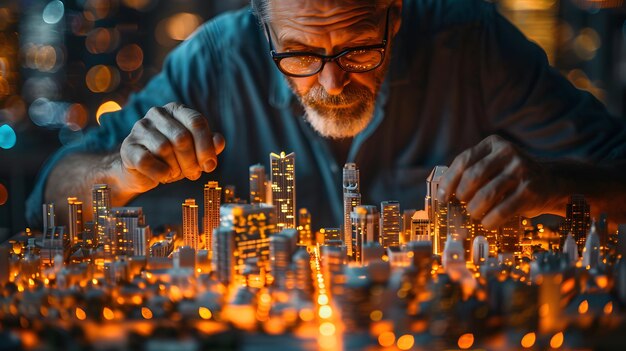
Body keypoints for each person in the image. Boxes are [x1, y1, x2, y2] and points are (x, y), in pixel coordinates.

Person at [27, 0, 626, 231]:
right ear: (263, 27)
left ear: (396, 12)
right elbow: (44, 203)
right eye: (301, 53)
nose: (333, 81)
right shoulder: (215, 58)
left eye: (360, 46)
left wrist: (560, 183)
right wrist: (119, 170)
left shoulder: (473, 45)